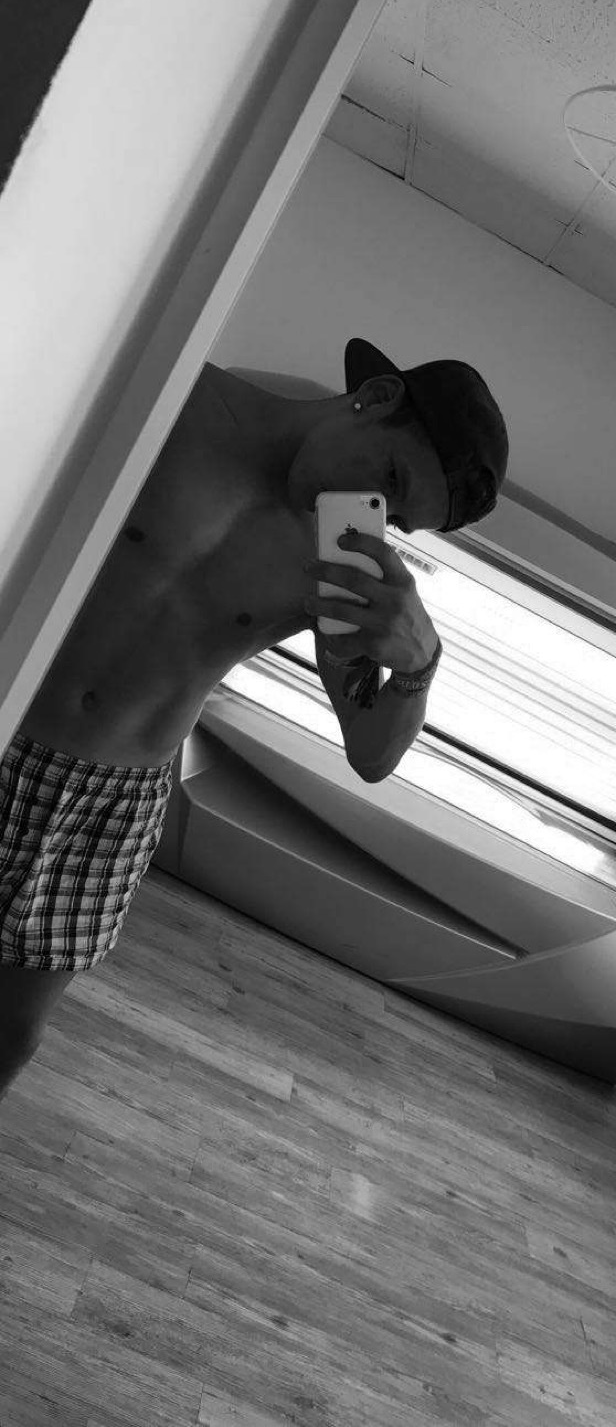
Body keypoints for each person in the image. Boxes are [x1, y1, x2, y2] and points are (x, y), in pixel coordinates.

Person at [0, 337, 509, 1096]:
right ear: (375, 399)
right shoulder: (177, 396)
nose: (379, 513)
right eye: (391, 479)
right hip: (11, 719)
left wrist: (419, 663)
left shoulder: (343, 556)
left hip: (111, 805)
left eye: (399, 517)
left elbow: (373, 754)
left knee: (12, 1031)